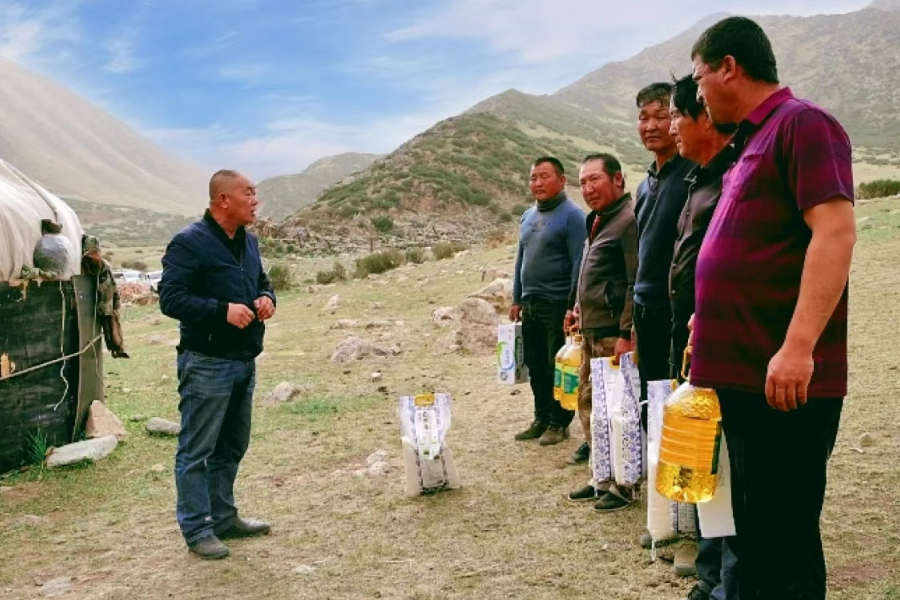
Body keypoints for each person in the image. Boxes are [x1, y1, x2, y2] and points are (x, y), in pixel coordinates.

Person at [690, 16, 855, 599]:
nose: (699, 94)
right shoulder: (750, 141)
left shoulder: (803, 124)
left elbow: (834, 234)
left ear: (728, 68)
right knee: (756, 536)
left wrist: (799, 346)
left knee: (784, 542)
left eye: (699, 77)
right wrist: (708, 314)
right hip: (745, 380)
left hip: (782, 381)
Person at [159, 170, 277, 560]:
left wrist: (267, 299)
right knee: (196, 450)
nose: (256, 201)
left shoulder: (249, 242)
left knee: (231, 445)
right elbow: (170, 299)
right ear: (224, 199)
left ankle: (223, 518)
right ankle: (197, 529)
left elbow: (262, 282)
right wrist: (221, 311)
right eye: (249, 193)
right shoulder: (189, 243)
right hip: (206, 363)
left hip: (244, 360)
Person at [668, 74, 739, 600]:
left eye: (677, 115)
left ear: (705, 118)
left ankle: (725, 580)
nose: (672, 126)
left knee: (728, 462)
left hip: (723, 343)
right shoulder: (698, 180)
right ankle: (711, 569)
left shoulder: (733, 179)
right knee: (705, 455)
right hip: (692, 341)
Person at [633, 82, 697, 574]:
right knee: (653, 415)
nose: (652, 125)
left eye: (661, 115)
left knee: (685, 419)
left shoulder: (692, 175)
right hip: (646, 311)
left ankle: (695, 533)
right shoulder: (646, 184)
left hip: (681, 313)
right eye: (644, 116)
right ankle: (667, 518)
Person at [563, 154, 638, 512]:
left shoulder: (628, 220)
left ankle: (624, 486)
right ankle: (601, 476)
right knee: (590, 407)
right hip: (592, 330)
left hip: (613, 334)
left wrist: (627, 331)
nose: (588, 188)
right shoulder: (597, 220)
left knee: (617, 413)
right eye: (583, 182)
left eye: (595, 179)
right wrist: (579, 306)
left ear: (617, 179)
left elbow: (634, 281)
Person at [510, 157, 586, 446]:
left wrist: (572, 306)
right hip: (530, 304)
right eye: (533, 178)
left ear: (562, 180)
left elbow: (579, 263)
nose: (538, 183)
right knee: (535, 364)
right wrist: (516, 297)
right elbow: (520, 260)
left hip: (557, 305)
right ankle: (541, 417)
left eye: (544, 176)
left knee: (559, 366)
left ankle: (559, 423)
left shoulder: (573, 216)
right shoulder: (527, 216)